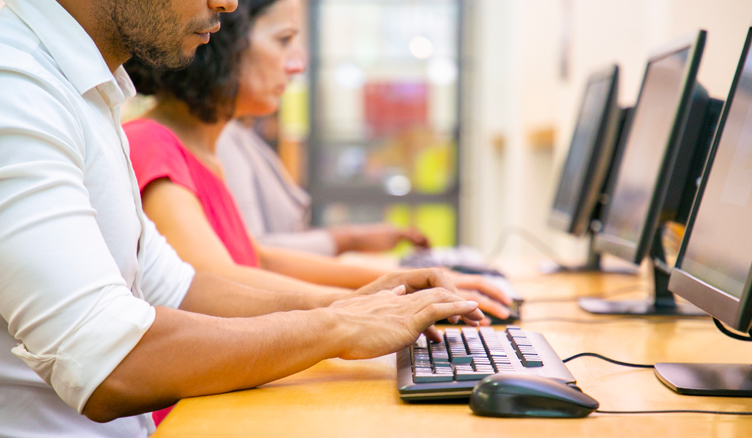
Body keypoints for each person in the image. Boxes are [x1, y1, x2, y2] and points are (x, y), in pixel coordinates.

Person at [0, 0, 484, 436]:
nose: (227, 3)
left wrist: (353, 304)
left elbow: (182, 289)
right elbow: (107, 362)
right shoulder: (16, 86)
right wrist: (337, 326)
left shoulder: (87, 94)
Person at [123, 0, 513, 318]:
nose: (297, 65)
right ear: (220, 40)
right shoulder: (150, 143)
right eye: (283, 40)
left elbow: (259, 260)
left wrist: (399, 282)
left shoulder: (203, 152)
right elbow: (213, 281)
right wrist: (364, 303)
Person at [218, 116, 430, 256]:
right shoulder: (224, 140)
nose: (296, 66)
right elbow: (256, 252)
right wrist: (351, 240)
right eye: (282, 44)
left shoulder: (242, 136)